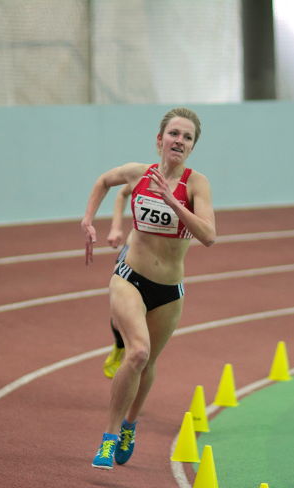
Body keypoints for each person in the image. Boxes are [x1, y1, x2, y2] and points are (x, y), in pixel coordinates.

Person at [81, 107, 216, 469]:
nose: (179, 140)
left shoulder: (196, 184)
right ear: (160, 140)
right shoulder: (139, 174)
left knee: (149, 362)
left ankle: (129, 425)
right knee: (137, 353)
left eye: (187, 137)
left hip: (169, 291)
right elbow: (103, 182)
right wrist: (90, 220)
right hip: (130, 277)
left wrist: (175, 203)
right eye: (174, 133)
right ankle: (109, 437)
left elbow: (209, 236)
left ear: (191, 147)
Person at [103, 184, 132, 379]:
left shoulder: (192, 184)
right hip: (132, 250)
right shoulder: (148, 175)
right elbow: (122, 192)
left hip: (164, 264)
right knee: (119, 313)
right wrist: (116, 227)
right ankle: (120, 345)